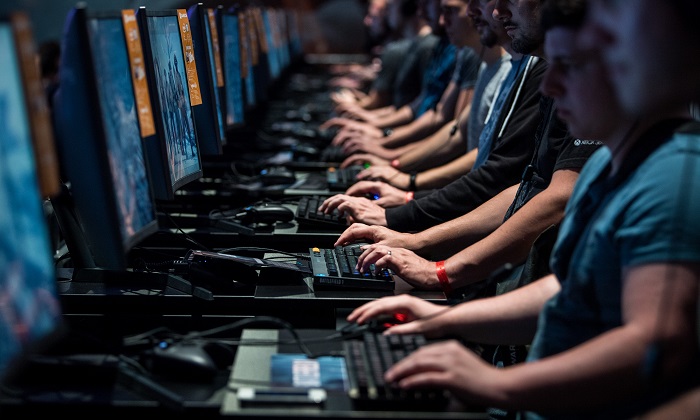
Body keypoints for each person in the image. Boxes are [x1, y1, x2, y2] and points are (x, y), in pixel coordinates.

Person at [345, 0, 700, 418]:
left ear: (623, 66)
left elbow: (656, 342)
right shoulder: (608, 163)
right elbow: (565, 290)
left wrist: (497, 385)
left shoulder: (676, 176)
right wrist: (446, 318)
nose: (550, 87)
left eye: (571, 66)